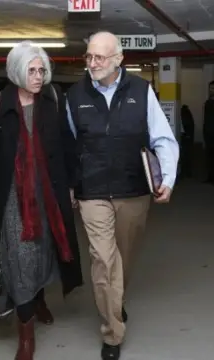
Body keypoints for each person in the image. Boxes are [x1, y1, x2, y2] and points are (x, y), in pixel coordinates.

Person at [65, 31, 179, 360]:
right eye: (89, 56)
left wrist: (167, 180)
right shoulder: (75, 95)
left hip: (133, 191)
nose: (93, 63)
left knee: (123, 260)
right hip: (93, 191)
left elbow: (163, 139)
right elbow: (68, 145)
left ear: (119, 59)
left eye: (100, 57)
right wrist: (71, 184)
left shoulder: (141, 91)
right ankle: (112, 332)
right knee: (103, 259)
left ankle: (116, 301)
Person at [0, 41, 84, 360]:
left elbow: (67, 144)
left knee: (45, 248)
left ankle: (38, 298)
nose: (38, 77)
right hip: (12, 194)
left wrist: (71, 186)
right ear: (16, 72)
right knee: (20, 256)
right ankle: (26, 333)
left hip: (48, 189)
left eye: (41, 70)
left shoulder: (51, 98)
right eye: (32, 71)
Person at [180, 104, 195, 178]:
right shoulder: (187, 113)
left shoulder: (182, 113)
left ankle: (183, 172)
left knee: (184, 155)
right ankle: (188, 172)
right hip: (187, 137)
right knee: (187, 155)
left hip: (184, 136)